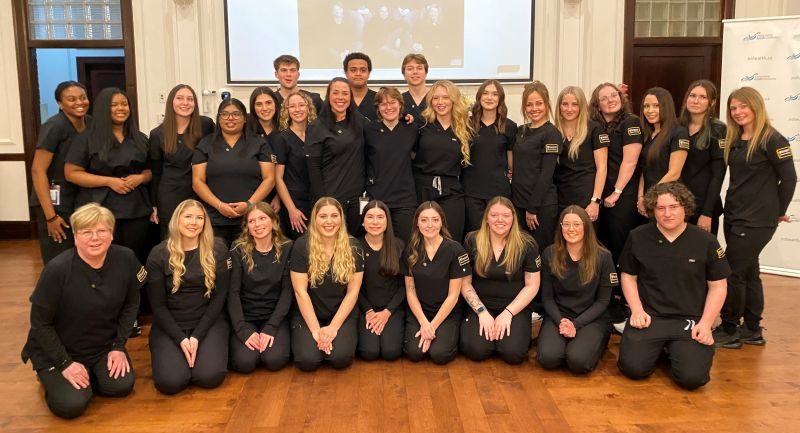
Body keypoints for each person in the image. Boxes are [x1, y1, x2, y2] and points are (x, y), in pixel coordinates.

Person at [21, 203, 142, 418]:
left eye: (102, 230)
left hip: (101, 346)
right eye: (86, 232)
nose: (95, 238)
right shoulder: (57, 269)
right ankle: (50, 375)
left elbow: (132, 304)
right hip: (60, 351)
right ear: (75, 236)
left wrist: (118, 346)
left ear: (111, 234)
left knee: (121, 386)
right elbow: (40, 324)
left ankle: (89, 374)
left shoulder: (126, 258)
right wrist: (65, 363)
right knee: (72, 405)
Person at [617, 182, 730, 390]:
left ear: (685, 208)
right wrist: (636, 310)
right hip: (651, 317)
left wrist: (706, 323)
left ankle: (675, 349)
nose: (667, 213)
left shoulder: (706, 241)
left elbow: (718, 286)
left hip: (690, 319)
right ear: (653, 210)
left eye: (674, 207)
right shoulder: (638, 236)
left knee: (692, 380)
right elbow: (628, 276)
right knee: (633, 369)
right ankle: (661, 348)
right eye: (660, 208)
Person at [713, 86, 797, 348]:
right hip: (735, 214)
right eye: (733, 108)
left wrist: (778, 211)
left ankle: (729, 329)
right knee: (749, 272)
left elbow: (790, 178)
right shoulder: (736, 139)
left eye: (742, 106)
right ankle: (751, 328)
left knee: (732, 272)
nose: (737, 112)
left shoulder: (772, 139)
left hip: (757, 220)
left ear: (756, 106)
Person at [145, 199, 231, 394]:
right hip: (170, 323)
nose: (194, 222)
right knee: (170, 382)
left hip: (208, 321)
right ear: (177, 220)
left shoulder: (218, 248)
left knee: (209, 377)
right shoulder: (158, 254)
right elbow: (157, 306)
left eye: (199, 218)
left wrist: (198, 336)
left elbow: (220, 297)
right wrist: (181, 339)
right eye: (188, 217)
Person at [65, 87, 152, 264]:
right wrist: (109, 182)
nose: (121, 108)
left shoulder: (140, 138)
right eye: (114, 105)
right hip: (99, 208)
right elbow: (71, 173)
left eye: (124, 104)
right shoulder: (87, 138)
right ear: (104, 108)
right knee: (103, 258)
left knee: (135, 257)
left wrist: (140, 178)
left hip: (136, 209)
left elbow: (150, 171)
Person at [460, 196, 540, 364]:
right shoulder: (471, 240)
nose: (500, 220)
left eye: (506, 215)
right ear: (486, 218)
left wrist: (508, 313)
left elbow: (532, 285)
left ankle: (504, 337)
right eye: (494, 215)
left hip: (514, 307)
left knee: (513, 353)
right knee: (477, 350)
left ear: (513, 219)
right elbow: (465, 283)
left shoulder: (527, 244)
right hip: (481, 306)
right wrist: (481, 312)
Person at [588, 82, 643, 327]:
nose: (610, 100)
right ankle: (609, 300)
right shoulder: (599, 125)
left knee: (621, 250)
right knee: (606, 248)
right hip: (605, 196)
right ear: (596, 103)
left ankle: (624, 303)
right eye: (604, 97)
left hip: (622, 197)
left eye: (614, 95)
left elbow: (630, 162)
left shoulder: (630, 122)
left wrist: (617, 192)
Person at [537, 205, 616, 373]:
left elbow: (603, 301)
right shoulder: (549, 253)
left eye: (577, 224)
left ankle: (599, 339)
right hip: (559, 316)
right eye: (566, 224)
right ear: (560, 227)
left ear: (586, 227)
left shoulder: (603, 256)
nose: (571, 229)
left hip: (591, 318)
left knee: (578, 362)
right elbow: (547, 298)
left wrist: (576, 324)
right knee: (548, 359)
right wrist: (561, 322)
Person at [290, 197, 364, 371]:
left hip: (341, 313)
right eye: (323, 216)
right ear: (315, 219)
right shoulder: (302, 246)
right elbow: (300, 292)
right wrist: (316, 331)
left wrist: (333, 328)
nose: (329, 221)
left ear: (341, 219)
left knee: (340, 359)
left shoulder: (354, 246)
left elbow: (353, 292)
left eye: (334, 216)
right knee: (308, 361)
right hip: (309, 312)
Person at [191, 98, 275, 245]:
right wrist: (219, 205)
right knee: (217, 263)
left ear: (244, 119)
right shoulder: (206, 144)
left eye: (236, 114)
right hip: (215, 219)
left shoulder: (259, 143)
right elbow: (197, 182)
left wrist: (249, 204)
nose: (230, 118)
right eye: (224, 114)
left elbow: (269, 179)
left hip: (252, 219)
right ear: (218, 118)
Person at [228, 202, 293, 372]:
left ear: (273, 221)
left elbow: (287, 291)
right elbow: (233, 293)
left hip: (274, 316)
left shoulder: (287, 247)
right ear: (247, 227)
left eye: (263, 218)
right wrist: (243, 331)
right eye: (252, 221)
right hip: (246, 316)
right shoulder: (238, 249)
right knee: (244, 363)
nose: (258, 225)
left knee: (274, 360)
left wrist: (271, 327)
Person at [30, 81, 90, 263]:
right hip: (55, 203)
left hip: (79, 199)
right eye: (71, 99)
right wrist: (51, 216)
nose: (79, 103)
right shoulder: (54, 126)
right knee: (59, 257)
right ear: (59, 103)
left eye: (83, 98)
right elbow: (37, 170)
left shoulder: (91, 122)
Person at [403, 201, 470, 364]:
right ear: (417, 223)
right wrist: (424, 322)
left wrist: (432, 326)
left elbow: (454, 295)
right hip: (420, 311)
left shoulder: (455, 250)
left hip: (446, 311)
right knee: (414, 353)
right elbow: (410, 291)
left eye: (435, 219)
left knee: (439, 355)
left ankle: (452, 336)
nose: (429, 225)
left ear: (442, 222)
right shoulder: (411, 250)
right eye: (424, 220)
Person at [149, 84, 215, 238]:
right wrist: (154, 204)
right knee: (172, 244)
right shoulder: (157, 134)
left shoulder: (206, 125)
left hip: (201, 194)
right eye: (180, 98)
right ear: (171, 102)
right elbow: (156, 172)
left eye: (190, 99)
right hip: (170, 197)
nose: (185, 103)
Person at [306, 77, 368, 232]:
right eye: (336, 93)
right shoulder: (316, 127)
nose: (340, 97)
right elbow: (313, 168)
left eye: (345, 93)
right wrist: (324, 201)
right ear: (328, 96)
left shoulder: (360, 122)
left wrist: (404, 117)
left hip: (357, 198)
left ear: (351, 97)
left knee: (354, 242)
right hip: (331, 197)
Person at [414, 80, 473, 242]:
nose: (440, 102)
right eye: (436, 98)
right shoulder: (421, 124)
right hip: (423, 189)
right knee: (422, 240)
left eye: (445, 97)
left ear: (454, 100)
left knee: (452, 239)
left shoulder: (464, 128)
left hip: (452, 191)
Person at [462, 80, 517, 232]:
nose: (489, 97)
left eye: (494, 94)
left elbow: (511, 160)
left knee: (498, 233)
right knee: (475, 234)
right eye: (485, 93)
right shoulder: (467, 124)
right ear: (479, 97)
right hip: (472, 192)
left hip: (499, 192)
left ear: (500, 99)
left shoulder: (510, 126)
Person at [364, 86, 418, 241]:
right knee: (379, 246)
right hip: (378, 198)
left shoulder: (411, 128)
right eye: (383, 104)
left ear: (400, 104)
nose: (388, 107)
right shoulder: (369, 130)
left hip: (405, 200)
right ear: (378, 108)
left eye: (392, 102)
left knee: (405, 246)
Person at [512, 81, 561, 251]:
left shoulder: (551, 133)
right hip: (518, 204)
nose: (534, 108)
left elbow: (546, 175)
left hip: (540, 207)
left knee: (540, 253)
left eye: (539, 103)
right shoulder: (521, 130)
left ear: (547, 104)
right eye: (529, 104)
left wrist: (532, 208)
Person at [357, 200, 406, 360]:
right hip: (364, 308)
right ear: (363, 222)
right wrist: (369, 311)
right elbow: (350, 288)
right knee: (369, 353)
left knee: (390, 352)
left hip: (392, 308)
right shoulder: (354, 247)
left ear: (387, 221)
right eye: (370, 217)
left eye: (380, 217)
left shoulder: (399, 246)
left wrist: (388, 311)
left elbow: (405, 286)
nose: (375, 222)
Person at [678, 79, 726, 234]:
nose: (696, 100)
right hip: (677, 204)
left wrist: (707, 213)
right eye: (692, 95)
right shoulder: (677, 127)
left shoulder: (718, 130)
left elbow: (718, 175)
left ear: (712, 102)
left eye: (703, 97)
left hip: (703, 206)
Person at [553, 86, 607, 224]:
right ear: (559, 106)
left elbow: (602, 167)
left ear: (582, 106)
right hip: (559, 199)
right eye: (565, 104)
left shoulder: (594, 129)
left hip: (587, 199)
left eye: (574, 104)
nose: (569, 109)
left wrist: (595, 201)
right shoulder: (553, 132)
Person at [636, 87, 689, 216]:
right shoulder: (648, 135)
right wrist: (640, 198)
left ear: (666, 107)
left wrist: (650, 198)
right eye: (646, 106)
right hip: (649, 202)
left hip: (667, 202)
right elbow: (645, 170)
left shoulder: (678, 133)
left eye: (656, 106)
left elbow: (674, 173)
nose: (650, 111)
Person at [274, 91, 317, 240]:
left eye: (301, 105)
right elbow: (278, 178)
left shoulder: (316, 135)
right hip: (295, 202)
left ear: (308, 107)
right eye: (292, 106)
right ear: (287, 110)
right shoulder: (282, 138)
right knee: (301, 245)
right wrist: (291, 209)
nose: (297, 109)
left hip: (316, 199)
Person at [344, 52, 378, 121]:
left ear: (369, 73)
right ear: (346, 73)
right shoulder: (339, 100)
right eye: (353, 70)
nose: (358, 73)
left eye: (363, 70)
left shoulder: (379, 99)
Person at [401, 53, 429, 123]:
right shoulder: (399, 101)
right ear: (404, 74)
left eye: (419, 68)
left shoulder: (435, 98)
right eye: (410, 69)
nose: (415, 72)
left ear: (426, 73)